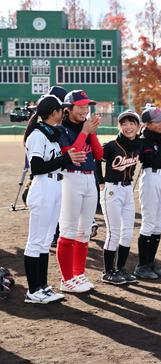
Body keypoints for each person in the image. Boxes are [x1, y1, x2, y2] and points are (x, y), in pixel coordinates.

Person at [23, 95, 86, 303]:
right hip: (43, 187)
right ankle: (33, 290)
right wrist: (65, 159)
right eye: (61, 109)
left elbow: (57, 161)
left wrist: (67, 159)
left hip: (55, 185)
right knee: (36, 241)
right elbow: (37, 167)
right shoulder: (37, 135)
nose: (63, 112)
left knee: (44, 242)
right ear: (54, 113)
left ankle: (42, 286)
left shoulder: (51, 133)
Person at [56, 90, 103, 293]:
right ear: (69, 109)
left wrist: (90, 132)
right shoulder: (61, 129)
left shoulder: (87, 127)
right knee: (68, 231)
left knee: (84, 232)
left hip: (89, 178)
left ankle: (78, 274)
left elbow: (99, 154)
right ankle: (66, 279)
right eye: (81, 106)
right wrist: (85, 131)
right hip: (71, 178)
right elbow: (71, 155)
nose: (85, 110)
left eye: (87, 106)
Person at [97, 110, 142, 284]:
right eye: (124, 123)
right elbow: (95, 160)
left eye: (132, 123)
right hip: (111, 190)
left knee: (127, 232)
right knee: (113, 232)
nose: (128, 127)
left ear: (138, 126)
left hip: (127, 190)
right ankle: (108, 272)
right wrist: (100, 182)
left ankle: (121, 269)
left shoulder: (139, 143)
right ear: (119, 126)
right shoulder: (111, 145)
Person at [135, 107, 161, 279]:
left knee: (159, 224)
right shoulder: (143, 140)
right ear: (148, 124)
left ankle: (151, 263)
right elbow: (155, 161)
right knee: (149, 223)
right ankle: (142, 265)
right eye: (158, 121)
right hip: (151, 177)